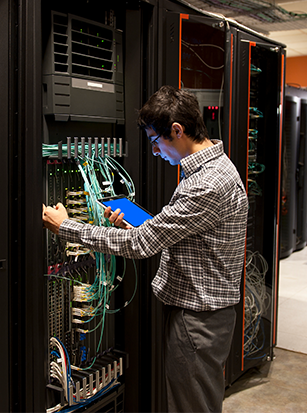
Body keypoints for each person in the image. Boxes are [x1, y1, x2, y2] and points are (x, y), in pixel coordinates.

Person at [42, 85, 248, 413]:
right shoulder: (217, 168)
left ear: (177, 131)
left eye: (155, 140)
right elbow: (185, 234)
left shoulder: (205, 184)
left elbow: (142, 246)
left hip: (197, 320)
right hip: (205, 315)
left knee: (191, 407)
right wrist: (139, 225)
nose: (154, 151)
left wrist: (66, 227)